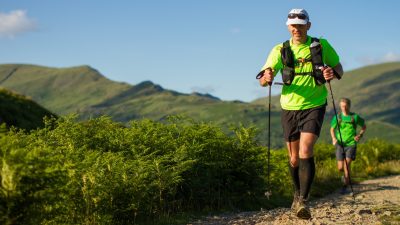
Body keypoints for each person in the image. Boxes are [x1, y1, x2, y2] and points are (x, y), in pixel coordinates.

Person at [257, 8, 343, 219]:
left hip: (315, 104)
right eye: (293, 24)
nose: (297, 28)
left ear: (308, 25)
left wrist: (332, 72)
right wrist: (267, 77)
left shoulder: (321, 46)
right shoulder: (280, 49)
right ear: (288, 26)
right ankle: (296, 195)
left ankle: (303, 201)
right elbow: (263, 80)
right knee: (294, 158)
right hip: (289, 106)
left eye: (301, 23)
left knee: (306, 150)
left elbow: (338, 68)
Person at [330, 98, 366, 194]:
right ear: (340, 107)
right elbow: (332, 129)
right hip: (340, 144)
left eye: (346, 106)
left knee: (347, 165)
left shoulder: (355, 117)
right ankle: (346, 178)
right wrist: (333, 138)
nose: (344, 108)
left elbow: (364, 126)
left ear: (349, 106)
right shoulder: (337, 117)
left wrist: (359, 135)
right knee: (340, 168)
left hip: (351, 144)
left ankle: (345, 186)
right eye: (342, 106)